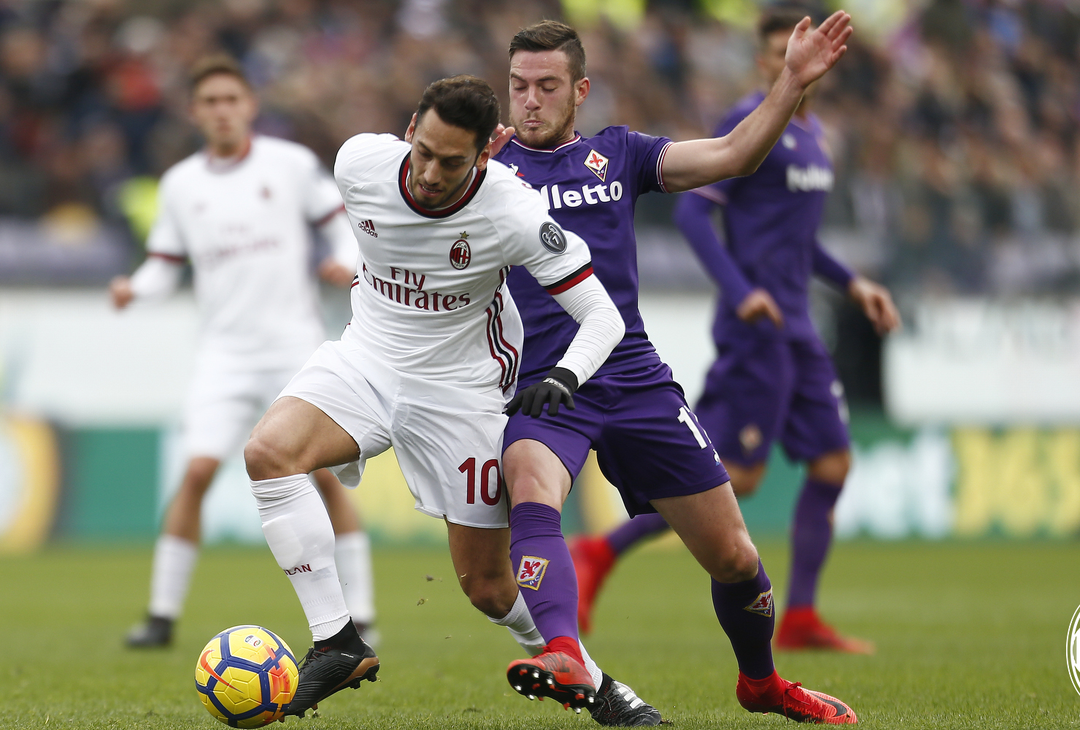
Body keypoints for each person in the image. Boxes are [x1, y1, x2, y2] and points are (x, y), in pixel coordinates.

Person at [242, 74, 658, 725]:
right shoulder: (358, 163)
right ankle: (337, 641)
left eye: (452, 161)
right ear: (409, 129)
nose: (431, 173)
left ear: (487, 153)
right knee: (268, 453)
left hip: (461, 394)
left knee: (489, 589)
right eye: (424, 152)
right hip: (367, 359)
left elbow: (602, 317)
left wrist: (567, 376)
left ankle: (598, 685)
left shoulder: (511, 211)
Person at [493, 14, 860, 724]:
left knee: (732, 556)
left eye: (546, 86)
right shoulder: (487, 171)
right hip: (546, 382)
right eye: (518, 87)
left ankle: (761, 683)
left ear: (580, 92)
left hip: (631, 375)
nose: (530, 100)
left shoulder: (620, 154)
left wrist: (787, 84)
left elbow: (731, 155)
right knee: (532, 483)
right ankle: (564, 649)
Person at [571, 7, 900, 655]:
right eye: (779, 53)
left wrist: (852, 281)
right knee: (739, 479)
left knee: (833, 461)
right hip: (756, 326)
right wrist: (740, 289)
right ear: (762, 62)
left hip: (799, 323)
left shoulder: (817, 137)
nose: (792, 63)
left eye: (799, 52)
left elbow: (799, 240)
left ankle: (802, 615)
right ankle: (598, 551)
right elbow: (695, 216)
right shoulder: (750, 124)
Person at [111, 55, 376, 649]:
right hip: (223, 354)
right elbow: (163, 266)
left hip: (293, 348)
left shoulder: (288, 165)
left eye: (232, 99)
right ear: (195, 112)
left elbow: (338, 222)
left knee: (325, 478)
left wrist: (344, 259)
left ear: (249, 105)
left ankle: (359, 612)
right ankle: (160, 615)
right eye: (210, 102)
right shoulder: (180, 185)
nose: (222, 111)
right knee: (198, 471)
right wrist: (136, 289)